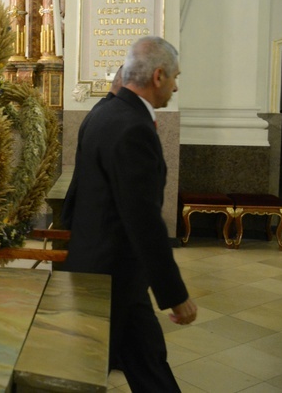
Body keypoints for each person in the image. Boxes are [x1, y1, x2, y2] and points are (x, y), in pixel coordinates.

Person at [61, 36, 197, 392]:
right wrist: (174, 294)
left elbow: (77, 194)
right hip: (114, 275)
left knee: (142, 361)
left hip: (98, 267)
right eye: (174, 77)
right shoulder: (133, 127)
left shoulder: (102, 113)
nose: (175, 86)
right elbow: (144, 220)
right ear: (157, 76)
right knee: (95, 371)